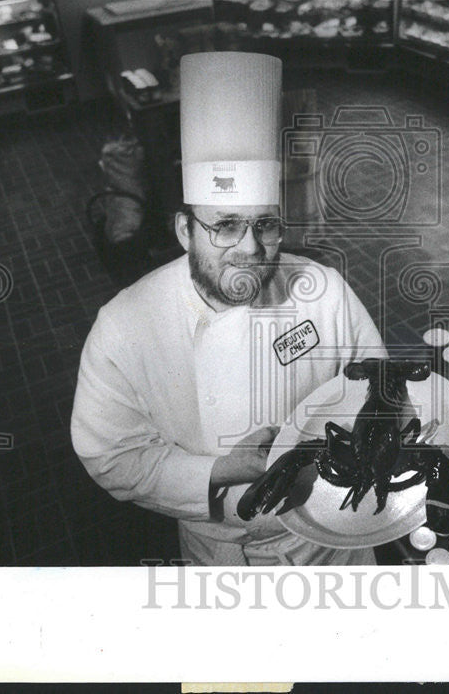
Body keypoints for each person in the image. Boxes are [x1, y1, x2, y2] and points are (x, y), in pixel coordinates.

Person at [71, 52, 386, 565]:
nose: (251, 249)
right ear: (183, 230)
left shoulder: (321, 290)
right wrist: (219, 470)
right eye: (225, 225)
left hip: (329, 537)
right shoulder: (124, 327)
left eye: (266, 224)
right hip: (220, 553)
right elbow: (112, 457)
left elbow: (379, 384)